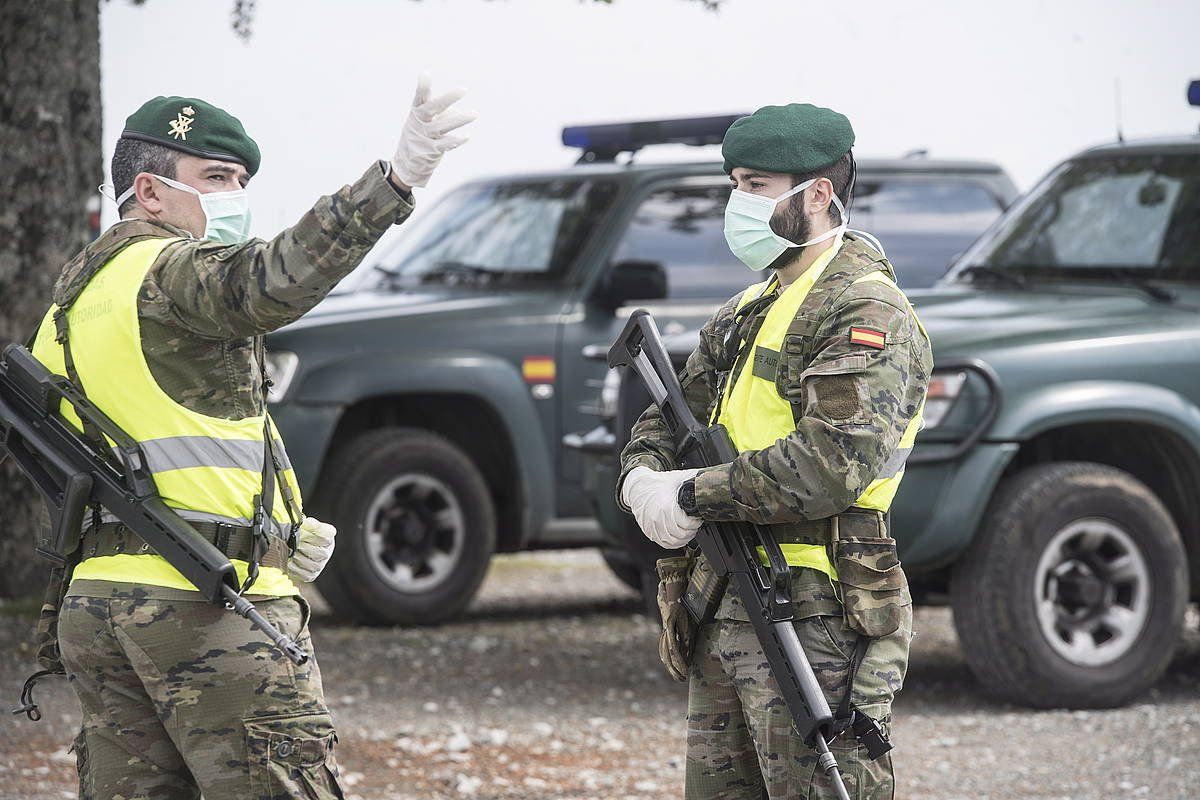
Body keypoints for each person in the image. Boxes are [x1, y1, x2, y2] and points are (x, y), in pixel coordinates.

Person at [30, 76, 474, 798]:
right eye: (216, 177)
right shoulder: (169, 271)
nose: (236, 194)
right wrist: (390, 184)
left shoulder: (71, 301)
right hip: (202, 602)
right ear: (148, 192)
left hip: (102, 603)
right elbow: (270, 281)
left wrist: (279, 528)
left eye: (240, 179)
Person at [618, 103, 932, 799]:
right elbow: (666, 419)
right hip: (725, 597)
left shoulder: (865, 310)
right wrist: (642, 478)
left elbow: (829, 465)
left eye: (755, 186)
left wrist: (692, 493)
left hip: (817, 613)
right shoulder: (746, 309)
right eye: (735, 183)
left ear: (817, 193)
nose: (738, 202)